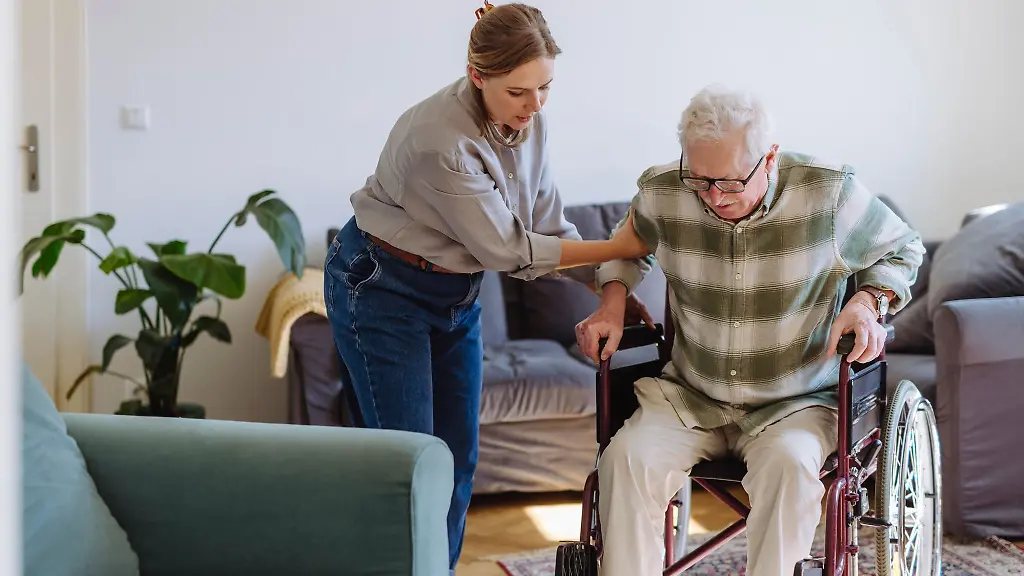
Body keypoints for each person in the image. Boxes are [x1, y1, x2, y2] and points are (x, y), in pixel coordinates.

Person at [322, 2, 650, 572]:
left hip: (455, 294)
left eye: (545, 87)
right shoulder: (439, 141)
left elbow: (548, 228)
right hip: (381, 291)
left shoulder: (530, 121)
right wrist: (618, 250)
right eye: (518, 92)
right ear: (478, 76)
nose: (535, 105)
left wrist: (610, 286)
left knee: (457, 461)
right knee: (410, 468)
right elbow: (510, 251)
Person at [575, 84, 925, 576]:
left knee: (789, 467)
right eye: (700, 180)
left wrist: (868, 302)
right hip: (691, 395)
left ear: (770, 158)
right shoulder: (665, 192)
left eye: (731, 182)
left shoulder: (827, 193)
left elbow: (903, 248)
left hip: (795, 403)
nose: (714, 197)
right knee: (625, 461)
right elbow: (626, 249)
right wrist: (612, 305)